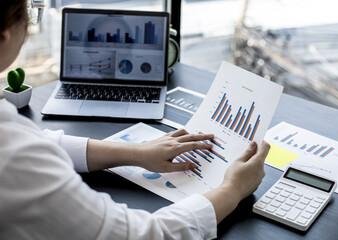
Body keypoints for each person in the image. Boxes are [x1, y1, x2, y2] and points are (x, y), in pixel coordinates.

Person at [0, 1, 270, 239]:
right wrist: (233, 189)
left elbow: (37, 143)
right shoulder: (14, 155)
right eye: (29, 10)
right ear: (4, 36)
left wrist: (134, 152)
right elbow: (145, 236)